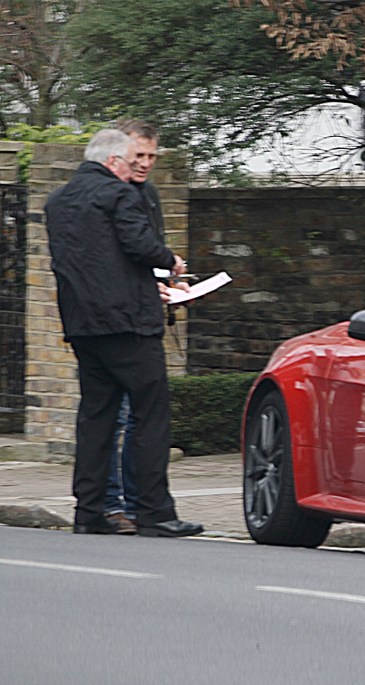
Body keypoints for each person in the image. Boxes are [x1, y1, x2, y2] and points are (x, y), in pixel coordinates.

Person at [44, 128, 203, 537]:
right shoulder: (119, 194)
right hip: (129, 324)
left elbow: (97, 260)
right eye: (128, 160)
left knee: (96, 417)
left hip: (82, 325)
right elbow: (140, 245)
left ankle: (90, 511)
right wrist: (172, 262)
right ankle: (154, 512)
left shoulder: (57, 201)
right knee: (151, 414)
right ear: (113, 161)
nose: (134, 167)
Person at [101, 120, 170, 535]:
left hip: (142, 315)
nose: (145, 164)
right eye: (138, 156)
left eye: (151, 157)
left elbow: (147, 257)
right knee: (113, 415)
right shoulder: (109, 196)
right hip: (113, 321)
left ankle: (132, 501)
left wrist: (164, 285)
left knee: (135, 416)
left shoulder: (149, 195)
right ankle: (112, 504)